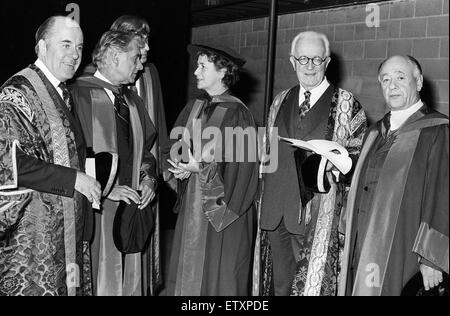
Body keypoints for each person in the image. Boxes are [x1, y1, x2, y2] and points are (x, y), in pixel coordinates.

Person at [256, 31, 367, 296]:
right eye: (302, 59)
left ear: (327, 63)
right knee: (278, 286)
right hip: (275, 212)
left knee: (310, 288)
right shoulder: (279, 100)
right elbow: (267, 154)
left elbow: (359, 158)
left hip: (316, 214)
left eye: (316, 59)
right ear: (292, 61)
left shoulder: (347, 104)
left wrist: (337, 164)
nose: (309, 66)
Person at [0, 16, 101, 296]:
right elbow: (7, 162)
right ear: (43, 46)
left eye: (79, 47)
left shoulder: (59, 92)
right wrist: (74, 180)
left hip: (63, 227)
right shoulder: (17, 93)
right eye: (66, 45)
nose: (75, 55)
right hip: (34, 240)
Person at [339, 55, 449, 296]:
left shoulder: (437, 130)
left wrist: (433, 259)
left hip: (404, 246)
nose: (392, 85)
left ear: (418, 82)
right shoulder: (374, 132)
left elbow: (443, 194)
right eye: (386, 80)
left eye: (401, 77)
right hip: (361, 242)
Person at [164, 44, 258, 295]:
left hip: (223, 209)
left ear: (223, 71)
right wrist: (180, 168)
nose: (196, 71)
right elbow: (175, 145)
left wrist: (200, 167)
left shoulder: (239, 113)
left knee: (219, 278)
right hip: (193, 203)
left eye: (203, 66)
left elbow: (243, 166)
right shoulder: (194, 107)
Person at [70, 30, 158, 296]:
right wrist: (106, 188)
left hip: (131, 206)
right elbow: (69, 155)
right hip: (95, 209)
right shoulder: (77, 95)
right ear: (115, 56)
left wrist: (148, 179)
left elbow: (145, 153)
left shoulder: (132, 100)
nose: (141, 65)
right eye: (136, 57)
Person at [109, 15, 168, 296]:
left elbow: (158, 125)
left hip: (145, 161)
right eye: (140, 40)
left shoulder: (150, 72)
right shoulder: (94, 83)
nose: (146, 47)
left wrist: (156, 172)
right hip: (116, 171)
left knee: (144, 226)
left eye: (147, 40)